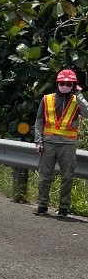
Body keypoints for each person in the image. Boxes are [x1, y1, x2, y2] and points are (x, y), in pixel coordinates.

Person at [34, 68, 88, 218]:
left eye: (69, 84)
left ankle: (64, 207)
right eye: (63, 83)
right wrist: (38, 141)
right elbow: (39, 121)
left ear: (74, 85)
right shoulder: (47, 99)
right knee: (45, 176)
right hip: (48, 142)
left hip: (68, 144)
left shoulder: (77, 100)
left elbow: (87, 113)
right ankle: (42, 205)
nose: (65, 86)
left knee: (67, 176)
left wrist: (79, 95)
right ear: (57, 83)